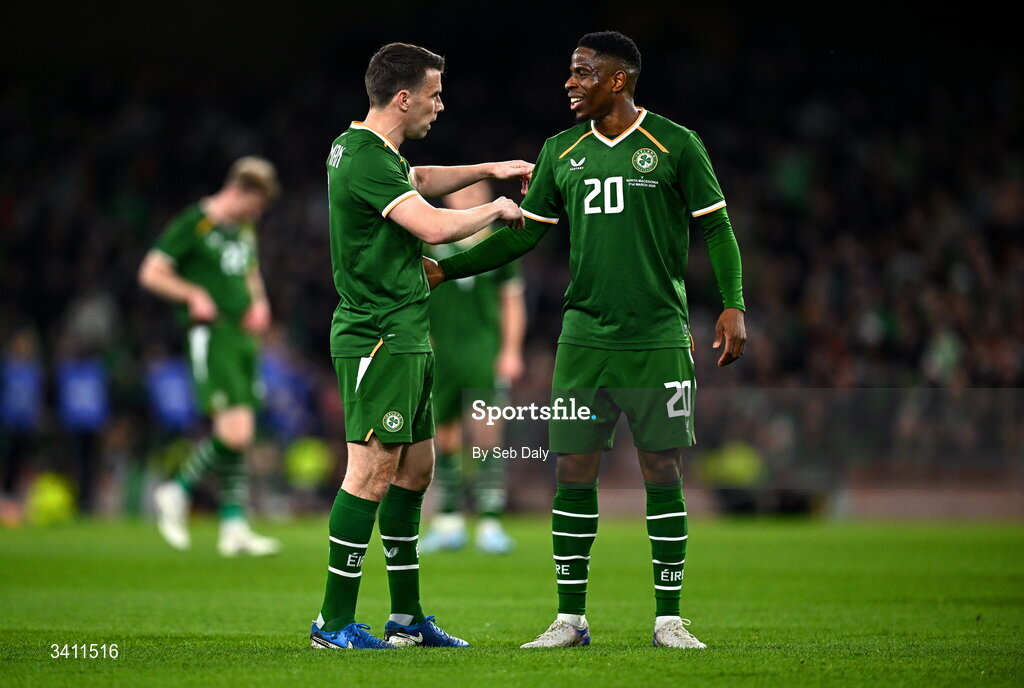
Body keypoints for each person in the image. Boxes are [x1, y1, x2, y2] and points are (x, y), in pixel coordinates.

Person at [426, 31, 747, 649]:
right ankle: (570, 619)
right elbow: (524, 237)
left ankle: (669, 620)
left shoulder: (676, 144)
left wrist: (733, 304)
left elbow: (719, 229)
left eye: (581, 73)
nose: (569, 83)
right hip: (584, 340)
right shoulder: (560, 151)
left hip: (657, 337)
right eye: (570, 73)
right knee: (573, 471)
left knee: (663, 469)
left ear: (617, 80)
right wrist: (447, 267)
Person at [310, 42, 532, 651]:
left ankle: (406, 619)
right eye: (434, 94)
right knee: (371, 471)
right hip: (378, 333)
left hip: (407, 331)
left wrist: (493, 168)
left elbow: (426, 180)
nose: (441, 104)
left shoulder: (368, 150)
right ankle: (332, 624)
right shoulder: (363, 160)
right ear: (403, 98)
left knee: (415, 470)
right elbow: (434, 225)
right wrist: (498, 209)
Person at [139, 156, 282, 557]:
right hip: (212, 336)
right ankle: (177, 490)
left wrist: (260, 302)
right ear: (239, 190)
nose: (257, 212)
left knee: (243, 433)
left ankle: (234, 526)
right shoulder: (194, 223)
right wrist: (193, 294)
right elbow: (151, 271)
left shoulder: (242, 228)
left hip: (243, 337)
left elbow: (250, 271)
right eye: (255, 204)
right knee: (233, 432)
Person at [420, 181, 526, 555]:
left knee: (486, 437)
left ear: (486, 198)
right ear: (448, 196)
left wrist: (511, 351)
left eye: (474, 192)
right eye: (461, 191)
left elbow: (511, 301)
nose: (466, 196)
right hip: (439, 350)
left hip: (483, 351)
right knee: (444, 433)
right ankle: (448, 519)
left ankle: (490, 521)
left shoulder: (500, 239)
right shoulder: (429, 237)